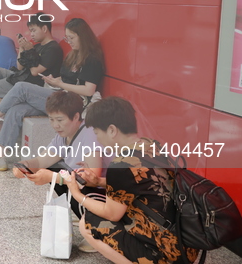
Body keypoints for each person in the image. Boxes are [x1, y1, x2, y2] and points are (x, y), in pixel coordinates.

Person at [67, 97, 199, 264]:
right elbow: (139, 183)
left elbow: (111, 214)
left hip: (165, 255)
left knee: (87, 222)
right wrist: (99, 182)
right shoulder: (152, 145)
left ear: (112, 130)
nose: (97, 139)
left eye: (97, 132)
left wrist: (77, 194)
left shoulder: (120, 165)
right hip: (185, 245)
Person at [0, 18, 105, 170]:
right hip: (61, 94)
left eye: (72, 38)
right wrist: (55, 80)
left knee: (21, 87)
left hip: (74, 102)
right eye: (67, 38)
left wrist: (60, 84)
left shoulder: (92, 59)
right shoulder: (73, 55)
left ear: (83, 36)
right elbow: (68, 79)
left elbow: (89, 90)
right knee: (16, 109)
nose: (69, 42)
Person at [13, 91, 108, 252]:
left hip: (105, 194)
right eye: (51, 119)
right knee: (52, 168)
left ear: (76, 117)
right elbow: (42, 160)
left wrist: (54, 177)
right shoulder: (62, 136)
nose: (55, 125)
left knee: (57, 175)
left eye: (60, 120)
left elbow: (92, 178)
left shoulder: (90, 134)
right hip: (85, 187)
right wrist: (25, 165)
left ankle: (98, 231)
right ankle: (85, 219)